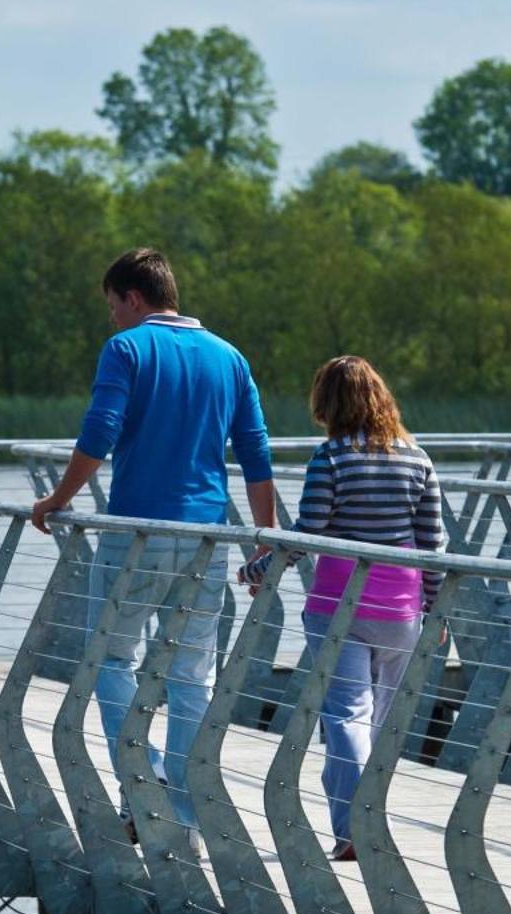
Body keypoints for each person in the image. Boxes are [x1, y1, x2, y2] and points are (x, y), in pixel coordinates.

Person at [31, 248, 275, 839]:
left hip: (134, 534)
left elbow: (100, 431)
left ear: (133, 298)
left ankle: (143, 783)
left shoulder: (127, 349)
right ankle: (187, 808)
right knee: (193, 673)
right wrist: (262, 544)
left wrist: (57, 499)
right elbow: (255, 453)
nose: (112, 318)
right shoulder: (229, 356)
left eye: (113, 306)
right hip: (207, 540)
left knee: (112, 658)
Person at [237, 356, 444, 861]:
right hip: (402, 610)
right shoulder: (417, 458)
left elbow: (308, 532)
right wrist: (436, 611)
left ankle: (353, 831)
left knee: (347, 718)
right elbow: (434, 543)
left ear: (327, 403)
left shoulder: (330, 458)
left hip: (339, 606)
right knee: (382, 723)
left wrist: (256, 571)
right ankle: (372, 822)